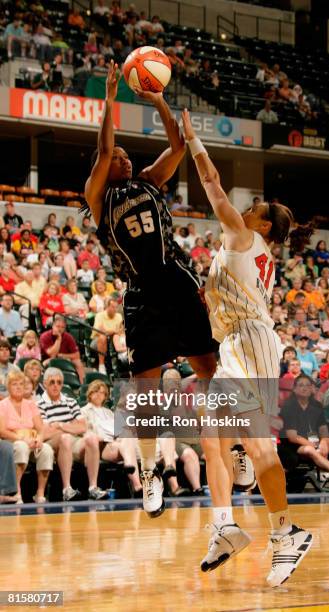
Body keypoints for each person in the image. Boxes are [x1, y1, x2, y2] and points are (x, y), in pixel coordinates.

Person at [181, 108, 313, 587]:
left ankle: (285, 533)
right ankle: (226, 525)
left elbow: (213, 183)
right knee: (211, 426)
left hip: (250, 343)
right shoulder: (246, 247)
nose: (247, 207)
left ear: (261, 226)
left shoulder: (242, 235)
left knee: (256, 444)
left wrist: (194, 139)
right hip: (240, 342)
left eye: (254, 207)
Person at [83, 62, 217, 518]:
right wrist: (110, 101)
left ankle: (234, 448)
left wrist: (158, 98)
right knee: (146, 392)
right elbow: (101, 151)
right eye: (119, 156)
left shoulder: (150, 181)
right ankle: (148, 473)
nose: (122, 158)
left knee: (209, 370)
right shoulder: (100, 198)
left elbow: (178, 145)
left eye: (125, 155)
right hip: (142, 293)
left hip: (178, 281)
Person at [279, 375, 329, 489]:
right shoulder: (289, 406)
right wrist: (313, 445)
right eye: (301, 385)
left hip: (313, 440)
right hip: (293, 445)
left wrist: (323, 442)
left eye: (308, 385)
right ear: (295, 389)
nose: (305, 388)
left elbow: (323, 428)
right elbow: (292, 437)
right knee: (310, 449)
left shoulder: (316, 405)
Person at [39, 368, 107, 501]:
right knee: (65, 438)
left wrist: (60, 425)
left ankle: (93, 488)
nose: (56, 385)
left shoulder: (71, 401)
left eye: (59, 382)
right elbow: (46, 432)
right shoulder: (40, 404)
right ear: (45, 384)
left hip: (73, 440)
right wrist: (71, 426)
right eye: (52, 382)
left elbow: (82, 427)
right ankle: (67, 489)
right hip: (52, 442)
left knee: (92, 438)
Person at [0, 371, 54, 504]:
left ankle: (40, 493)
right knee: (22, 447)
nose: (18, 387)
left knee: (46, 450)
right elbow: (2, 431)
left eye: (21, 384)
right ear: (8, 387)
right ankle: (17, 491)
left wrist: (39, 439)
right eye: (14, 384)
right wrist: (21, 439)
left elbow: (41, 428)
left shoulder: (30, 404)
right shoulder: (3, 405)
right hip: (13, 441)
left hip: (32, 440)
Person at [40, 315, 85, 383]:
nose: (60, 329)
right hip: (47, 359)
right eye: (58, 326)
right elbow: (52, 354)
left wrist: (63, 356)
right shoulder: (45, 336)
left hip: (63, 358)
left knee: (78, 362)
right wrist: (59, 339)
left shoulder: (68, 337)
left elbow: (77, 355)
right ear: (53, 326)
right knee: (46, 362)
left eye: (62, 327)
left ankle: (82, 385)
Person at [91, 297, 123, 374]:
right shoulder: (99, 315)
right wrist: (114, 331)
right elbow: (99, 331)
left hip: (114, 341)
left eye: (116, 307)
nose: (115, 309)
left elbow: (120, 331)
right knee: (102, 337)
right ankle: (101, 365)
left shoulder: (119, 316)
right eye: (112, 307)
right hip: (97, 342)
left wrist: (108, 331)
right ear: (107, 307)